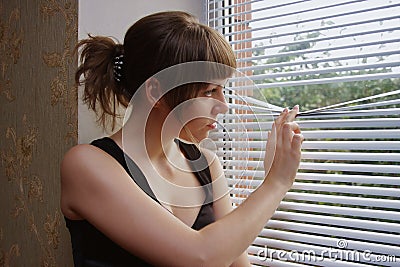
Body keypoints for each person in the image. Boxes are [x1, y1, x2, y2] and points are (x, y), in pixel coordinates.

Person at [61, 11, 303, 267]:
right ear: (157, 91)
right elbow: (199, 257)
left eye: (223, 90)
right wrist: (276, 181)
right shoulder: (86, 165)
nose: (223, 105)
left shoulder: (206, 165)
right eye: (210, 91)